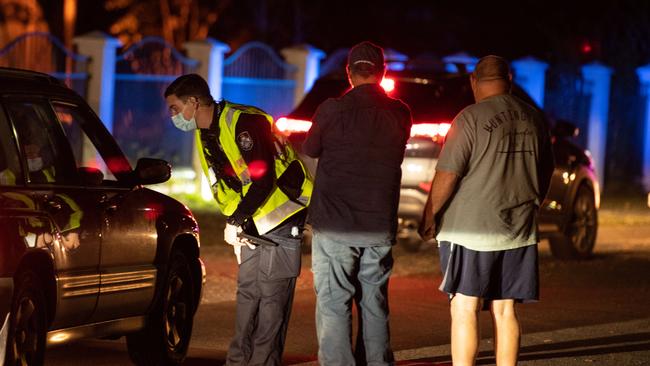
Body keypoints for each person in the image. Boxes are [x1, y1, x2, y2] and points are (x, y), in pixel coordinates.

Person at [164, 74, 313, 366]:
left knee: (272, 300)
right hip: (252, 223)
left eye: (174, 108)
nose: (172, 116)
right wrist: (235, 221)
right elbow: (228, 183)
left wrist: (238, 220)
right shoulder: (204, 131)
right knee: (247, 294)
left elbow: (263, 179)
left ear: (193, 103)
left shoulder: (243, 122)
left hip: (281, 218)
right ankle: (237, 361)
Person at [418, 55, 555, 366]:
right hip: (518, 229)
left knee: (464, 306)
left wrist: (430, 216)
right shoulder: (534, 118)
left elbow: (448, 174)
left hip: (470, 230)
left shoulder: (469, 118)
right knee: (505, 309)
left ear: (474, 82)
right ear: (510, 80)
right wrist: (534, 203)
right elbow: (546, 170)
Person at [303, 41, 412, 366]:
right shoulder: (400, 113)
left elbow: (310, 148)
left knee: (335, 301)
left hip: (335, 223)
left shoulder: (331, 110)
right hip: (377, 224)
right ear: (383, 73)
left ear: (349, 73)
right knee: (374, 301)